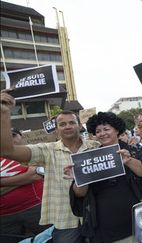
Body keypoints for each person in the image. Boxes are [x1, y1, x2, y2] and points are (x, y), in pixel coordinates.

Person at [0, 90, 99, 243]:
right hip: (65, 220)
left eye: (72, 122)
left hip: (97, 214)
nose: (67, 126)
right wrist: (5, 113)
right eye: (62, 124)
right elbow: (7, 151)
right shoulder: (47, 150)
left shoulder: (96, 147)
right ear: (56, 129)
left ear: (80, 126)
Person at [64, 112, 142, 242]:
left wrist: (128, 161)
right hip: (105, 230)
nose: (102, 133)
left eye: (106, 129)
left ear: (117, 130)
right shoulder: (89, 158)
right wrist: (80, 177)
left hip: (140, 223)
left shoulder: (134, 150)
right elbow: (79, 194)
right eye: (98, 131)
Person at [1, 128, 49, 243]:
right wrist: (25, 178)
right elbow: (32, 175)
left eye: (13, 135)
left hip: (36, 208)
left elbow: (36, 176)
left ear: (21, 136)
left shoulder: (32, 153)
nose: (9, 139)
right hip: (4, 217)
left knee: (49, 238)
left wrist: (2, 183)